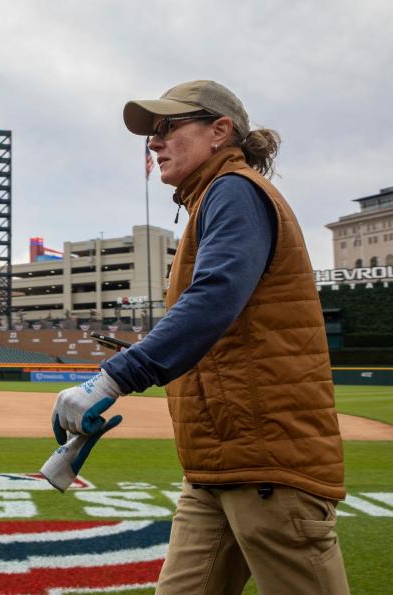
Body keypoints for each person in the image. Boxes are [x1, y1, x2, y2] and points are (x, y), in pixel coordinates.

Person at [51, 80, 348, 594]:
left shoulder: (235, 190)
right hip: (215, 466)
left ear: (220, 131)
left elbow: (212, 299)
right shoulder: (212, 199)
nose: (153, 140)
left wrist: (111, 379)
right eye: (151, 132)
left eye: (167, 126)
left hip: (267, 466)